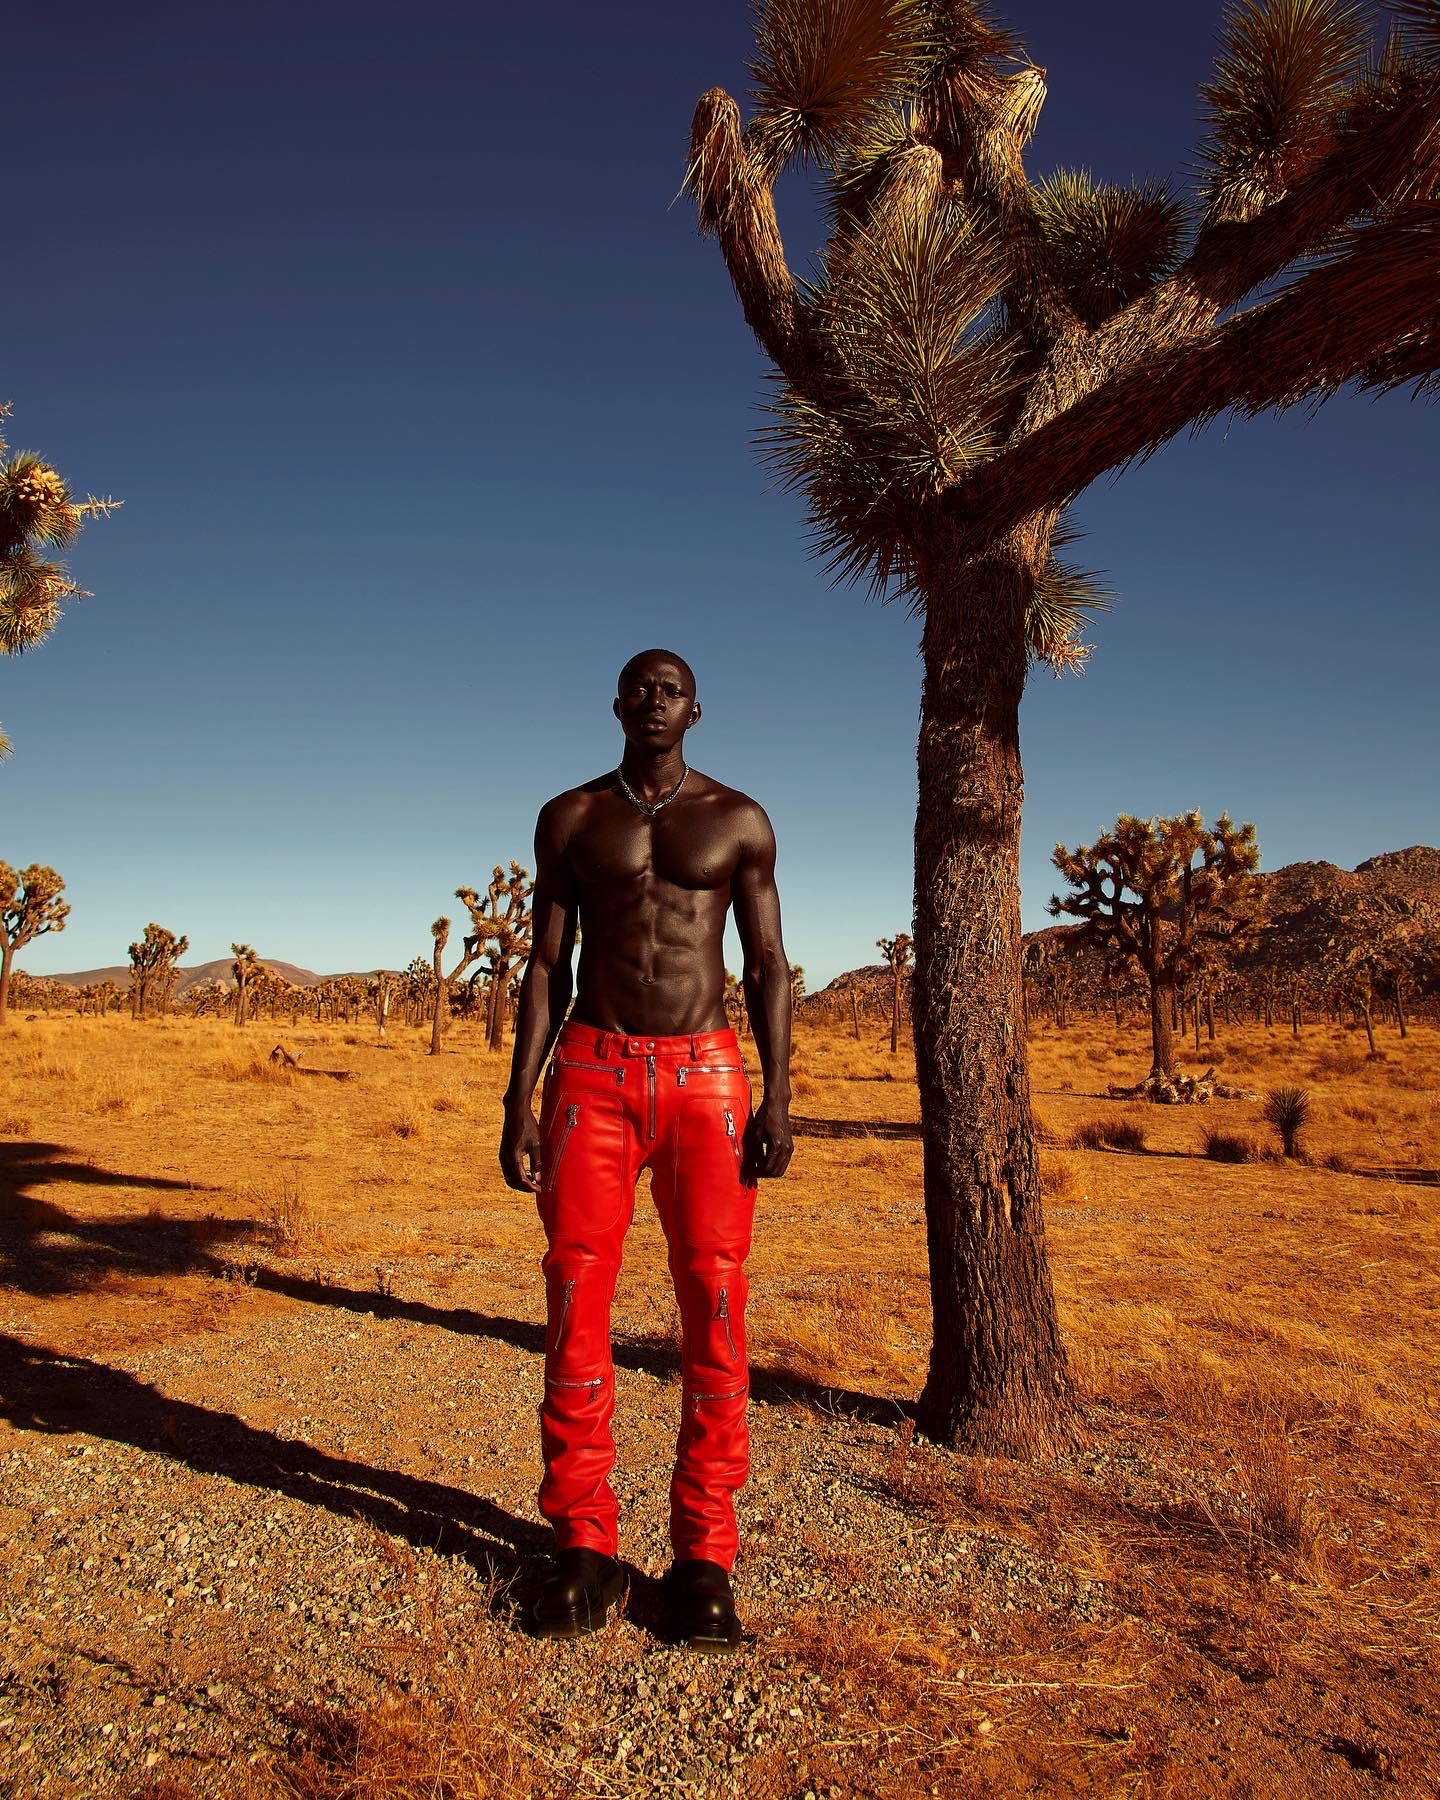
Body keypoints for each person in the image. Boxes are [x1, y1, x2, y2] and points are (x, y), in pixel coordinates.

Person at [499, 648, 793, 1652]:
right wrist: (519, 1098)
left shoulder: (738, 819)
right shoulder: (572, 818)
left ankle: (704, 1560)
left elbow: (768, 963)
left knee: (714, 1298)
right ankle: (582, 1546)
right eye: (641, 687)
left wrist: (781, 1095)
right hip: (591, 1069)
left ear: (695, 710)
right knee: (576, 1291)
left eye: (672, 690)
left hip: (708, 1074)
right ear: (617, 703)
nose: (655, 700)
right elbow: (546, 963)